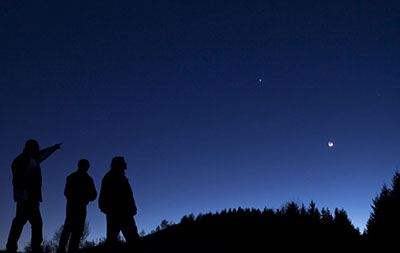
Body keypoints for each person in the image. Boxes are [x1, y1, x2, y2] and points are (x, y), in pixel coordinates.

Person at [7, 139, 61, 253]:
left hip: (27, 198)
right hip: (27, 198)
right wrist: (24, 196)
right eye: (36, 148)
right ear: (31, 148)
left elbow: (42, 155)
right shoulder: (24, 160)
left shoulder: (28, 159)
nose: (38, 150)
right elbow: (17, 180)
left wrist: (53, 148)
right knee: (31, 222)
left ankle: (14, 246)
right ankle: (33, 247)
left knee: (23, 221)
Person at [99, 156, 139, 251]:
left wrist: (132, 207)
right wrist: (108, 210)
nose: (125, 165)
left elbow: (129, 195)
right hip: (117, 213)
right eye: (122, 163)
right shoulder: (110, 177)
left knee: (131, 239)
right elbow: (103, 197)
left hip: (123, 213)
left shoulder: (120, 177)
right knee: (115, 241)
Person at [57, 159, 97, 253]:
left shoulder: (86, 179)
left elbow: (94, 194)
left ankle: (70, 249)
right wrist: (81, 198)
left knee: (77, 231)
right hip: (73, 206)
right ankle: (62, 249)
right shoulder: (73, 177)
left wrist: (86, 198)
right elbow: (66, 192)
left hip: (80, 206)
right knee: (69, 229)